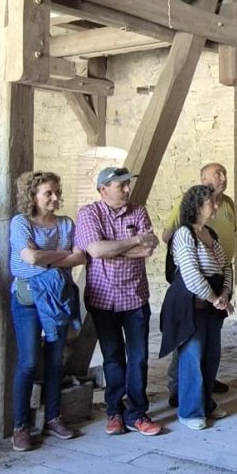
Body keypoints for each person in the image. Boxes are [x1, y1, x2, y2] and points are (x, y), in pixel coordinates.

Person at [75, 167, 162, 437]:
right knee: (112, 358)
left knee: (138, 357)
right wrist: (133, 240)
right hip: (103, 299)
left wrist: (112, 249)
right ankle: (114, 411)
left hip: (135, 297)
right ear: (103, 189)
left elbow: (147, 249)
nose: (126, 190)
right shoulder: (89, 213)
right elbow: (96, 249)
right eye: (120, 185)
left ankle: (137, 413)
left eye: (127, 185)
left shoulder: (138, 211)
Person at [9, 170, 85, 452]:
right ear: (33, 196)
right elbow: (28, 258)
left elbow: (79, 257)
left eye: (57, 192)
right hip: (28, 299)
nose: (55, 197)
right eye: (48, 193)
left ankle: (53, 418)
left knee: (55, 361)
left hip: (57, 299)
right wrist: (61, 256)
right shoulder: (21, 223)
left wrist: (45, 259)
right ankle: (20, 427)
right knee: (29, 362)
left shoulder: (65, 224)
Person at [160, 185, 234, 430]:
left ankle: (205, 403)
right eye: (210, 202)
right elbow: (191, 275)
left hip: (212, 304)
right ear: (197, 206)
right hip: (190, 305)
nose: (215, 205)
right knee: (192, 356)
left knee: (211, 355)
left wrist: (225, 292)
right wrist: (215, 298)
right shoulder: (184, 234)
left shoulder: (209, 233)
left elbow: (226, 266)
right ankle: (190, 411)